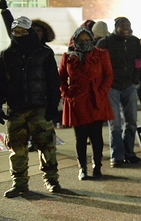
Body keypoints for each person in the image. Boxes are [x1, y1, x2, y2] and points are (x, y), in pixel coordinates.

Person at [0, 16, 62, 197]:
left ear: (30, 33)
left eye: (23, 32)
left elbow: (53, 81)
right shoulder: (5, 55)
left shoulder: (44, 53)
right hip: (15, 108)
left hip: (40, 107)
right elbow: (1, 83)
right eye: (15, 32)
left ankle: (52, 180)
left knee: (47, 147)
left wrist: (53, 106)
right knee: (16, 149)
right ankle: (19, 184)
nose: (19, 35)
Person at [59, 25, 115, 180]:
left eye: (87, 39)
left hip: (96, 100)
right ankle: (82, 168)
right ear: (75, 40)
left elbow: (108, 75)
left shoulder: (102, 54)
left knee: (96, 136)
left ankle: (97, 166)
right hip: (77, 102)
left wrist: (102, 91)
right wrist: (66, 92)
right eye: (80, 39)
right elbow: (61, 77)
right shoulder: (67, 57)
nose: (84, 42)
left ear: (92, 39)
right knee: (80, 137)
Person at [96, 17, 141, 167]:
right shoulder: (105, 42)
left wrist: (136, 78)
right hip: (112, 87)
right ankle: (117, 156)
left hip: (129, 86)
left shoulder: (134, 42)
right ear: (116, 27)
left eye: (128, 25)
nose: (126, 28)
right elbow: (97, 63)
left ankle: (129, 153)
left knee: (132, 121)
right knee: (115, 123)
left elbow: (138, 61)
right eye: (122, 26)